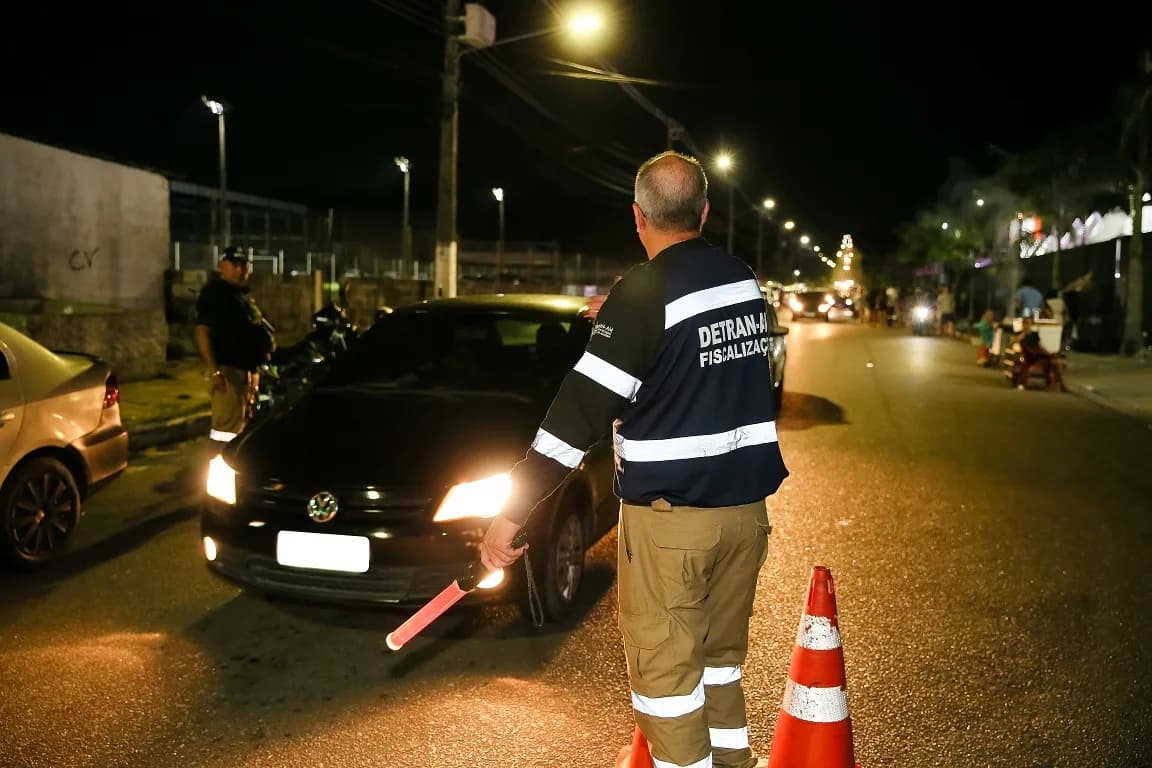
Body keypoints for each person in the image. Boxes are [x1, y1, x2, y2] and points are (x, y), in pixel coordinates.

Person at [480, 151, 789, 768]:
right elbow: (695, 349)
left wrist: (507, 517)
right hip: (744, 517)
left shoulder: (643, 297)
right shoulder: (741, 279)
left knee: (667, 686)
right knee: (719, 664)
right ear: (704, 211)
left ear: (637, 215)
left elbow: (571, 425)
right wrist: (625, 318)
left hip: (674, 523)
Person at [194, 246, 276, 448]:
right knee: (225, 434)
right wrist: (215, 372)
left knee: (241, 429)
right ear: (222, 266)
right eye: (235, 265)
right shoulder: (215, 294)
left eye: (244, 265)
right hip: (229, 373)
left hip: (247, 373)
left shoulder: (240, 295)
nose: (240, 270)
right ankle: (219, 475)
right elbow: (202, 332)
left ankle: (238, 475)